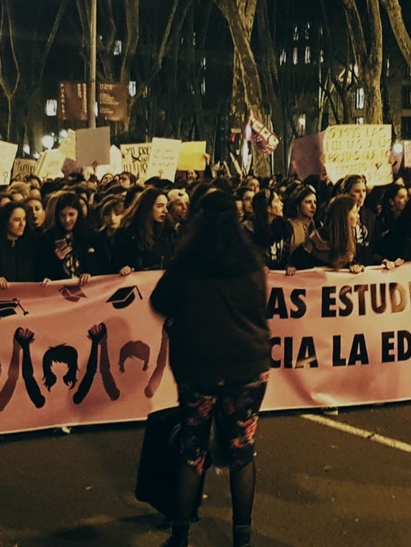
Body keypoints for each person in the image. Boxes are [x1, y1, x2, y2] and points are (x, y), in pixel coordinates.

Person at [150, 190, 271, 547]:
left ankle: (181, 534)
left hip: (199, 366)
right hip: (247, 365)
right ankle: (242, 538)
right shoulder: (250, 261)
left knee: (193, 448)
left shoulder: (188, 261)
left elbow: (160, 300)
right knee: (241, 450)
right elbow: (258, 307)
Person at [113, 188, 181, 275]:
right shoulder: (127, 233)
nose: (165, 211)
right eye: (160, 206)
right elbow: (117, 261)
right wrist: (123, 268)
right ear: (147, 207)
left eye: (166, 206)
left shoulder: (169, 231)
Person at [245, 189, 294, 272]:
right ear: (268, 207)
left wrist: (289, 265)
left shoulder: (284, 226)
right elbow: (247, 255)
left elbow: (286, 254)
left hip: (280, 277)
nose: (282, 204)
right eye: (277, 201)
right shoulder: (249, 228)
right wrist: (260, 265)